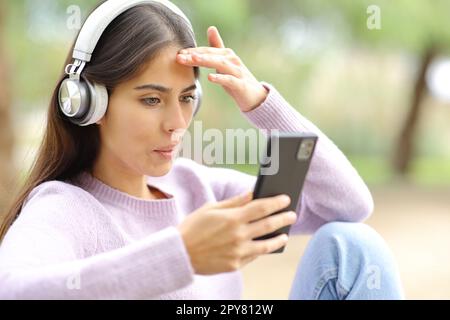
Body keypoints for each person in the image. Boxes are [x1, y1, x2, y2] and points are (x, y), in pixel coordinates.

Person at [0, 0, 403, 299]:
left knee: (352, 245)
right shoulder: (64, 207)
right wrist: (181, 255)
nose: (177, 122)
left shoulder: (198, 187)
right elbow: (14, 290)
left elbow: (348, 207)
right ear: (90, 104)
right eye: (152, 100)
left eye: (188, 97)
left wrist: (263, 104)